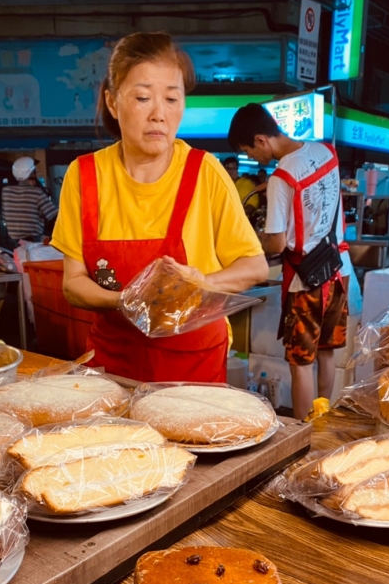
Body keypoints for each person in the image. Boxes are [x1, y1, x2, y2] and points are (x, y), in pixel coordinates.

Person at [51, 32, 268, 383]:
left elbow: (254, 266)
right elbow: (73, 283)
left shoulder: (203, 171)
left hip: (193, 363)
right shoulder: (85, 175)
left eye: (171, 98)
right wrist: (124, 300)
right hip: (113, 363)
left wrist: (202, 282)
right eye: (142, 97)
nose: (159, 115)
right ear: (111, 102)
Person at [227, 102, 349, 419]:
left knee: (300, 365)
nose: (252, 158)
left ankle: (302, 433)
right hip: (338, 268)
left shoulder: (282, 178)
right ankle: (323, 421)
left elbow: (278, 243)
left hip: (306, 281)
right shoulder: (325, 151)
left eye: (249, 151)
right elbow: (316, 194)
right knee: (325, 355)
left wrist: (260, 237)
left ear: (261, 140)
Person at [1, 156, 59, 244]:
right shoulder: (36, 192)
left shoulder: (6, 191)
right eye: (36, 171)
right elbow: (54, 217)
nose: (38, 173)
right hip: (33, 243)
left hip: (12, 243)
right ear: (31, 174)